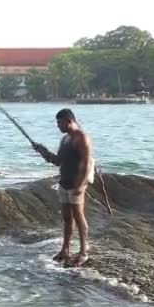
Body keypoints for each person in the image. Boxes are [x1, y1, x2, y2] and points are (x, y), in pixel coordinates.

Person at [32, 108, 93, 267]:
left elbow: (86, 163)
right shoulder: (65, 139)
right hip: (64, 182)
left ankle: (83, 252)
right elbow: (58, 161)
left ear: (68, 120)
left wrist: (80, 185)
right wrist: (43, 151)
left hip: (76, 184)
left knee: (79, 217)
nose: (57, 126)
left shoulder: (81, 138)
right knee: (67, 218)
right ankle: (65, 249)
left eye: (59, 122)